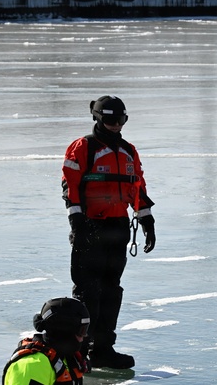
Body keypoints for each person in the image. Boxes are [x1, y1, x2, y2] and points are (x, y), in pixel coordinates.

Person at [62, 95, 156, 370]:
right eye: (110, 120)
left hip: (118, 228)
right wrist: (76, 219)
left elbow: (137, 186)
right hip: (89, 226)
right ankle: (80, 351)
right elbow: (70, 184)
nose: (115, 125)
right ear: (97, 118)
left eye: (121, 120)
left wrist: (146, 219)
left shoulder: (128, 150)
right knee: (87, 291)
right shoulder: (83, 147)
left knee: (111, 291)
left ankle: (103, 349)